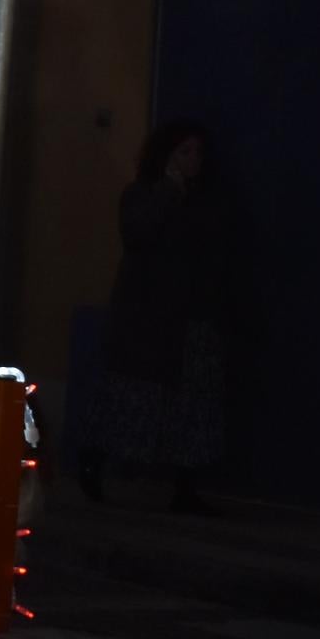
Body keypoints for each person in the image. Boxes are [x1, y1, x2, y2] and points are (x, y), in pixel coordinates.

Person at [81, 122, 235, 514]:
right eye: (184, 152)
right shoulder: (142, 195)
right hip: (147, 319)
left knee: (192, 405)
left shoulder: (207, 202)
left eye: (197, 153)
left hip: (192, 319)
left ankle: (185, 486)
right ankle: (95, 463)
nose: (193, 161)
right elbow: (137, 234)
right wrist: (168, 192)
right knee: (134, 399)